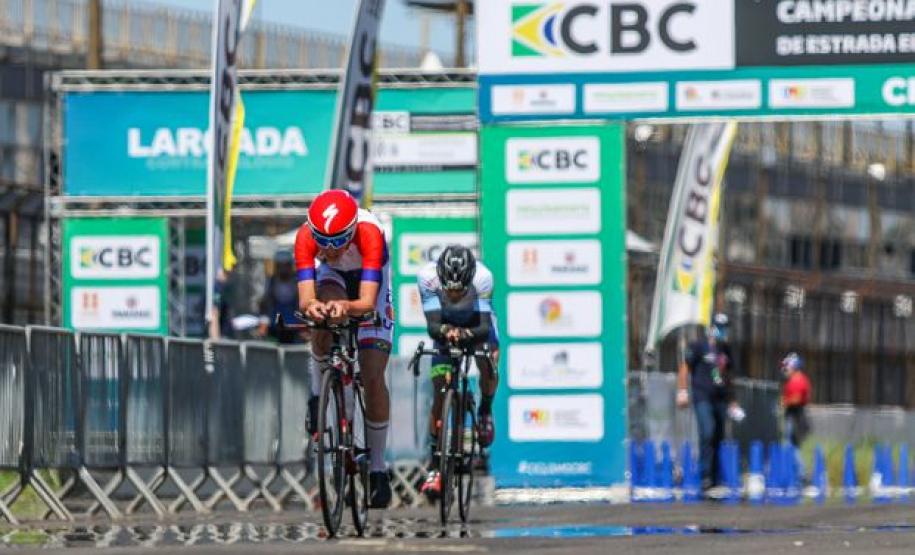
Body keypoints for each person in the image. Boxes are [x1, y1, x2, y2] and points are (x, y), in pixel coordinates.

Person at [294, 189, 395, 509]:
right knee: (321, 324)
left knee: (372, 371)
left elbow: (366, 303)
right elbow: (307, 299)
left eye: (338, 241)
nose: (329, 248)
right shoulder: (305, 237)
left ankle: (377, 467)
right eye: (323, 242)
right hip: (334, 280)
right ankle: (317, 394)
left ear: (351, 231)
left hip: (370, 285)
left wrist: (346, 308)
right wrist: (318, 310)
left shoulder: (370, 232)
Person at [416, 245, 499, 498]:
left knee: (489, 359)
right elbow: (432, 326)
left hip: (476, 324)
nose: (453, 294)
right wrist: (446, 332)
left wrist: (467, 335)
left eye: (459, 289)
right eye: (448, 289)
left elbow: (484, 327)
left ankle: (485, 409)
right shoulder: (427, 277)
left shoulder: (483, 278)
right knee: (440, 390)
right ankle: (434, 464)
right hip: (445, 326)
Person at [677, 313, 744, 493]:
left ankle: (715, 479)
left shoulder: (726, 351)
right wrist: (682, 391)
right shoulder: (698, 346)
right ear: (712, 328)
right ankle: (704, 475)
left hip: (720, 398)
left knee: (719, 436)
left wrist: (733, 401)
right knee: (707, 431)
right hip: (702, 396)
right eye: (720, 327)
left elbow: (729, 377)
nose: (723, 332)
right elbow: (685, 367)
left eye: (725, 328)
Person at [257, 249, 303, 344]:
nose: (283, 269)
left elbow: (302, 304)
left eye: (286, 265)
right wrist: (263, 322)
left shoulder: (298, 281)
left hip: (294, 327)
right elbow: (264, 304)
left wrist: (303, 325)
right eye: (280, 266)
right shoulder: (271, 282)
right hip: (275, 326)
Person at [780, 352, 811, 449]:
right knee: (791, 446)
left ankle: (800, 465)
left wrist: (783, 402)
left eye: (787, 367)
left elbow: (796, 399)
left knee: (791, 446)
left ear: (794, 366)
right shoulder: (794, 380)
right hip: (793, 416)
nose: (784, 370)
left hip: (795, 417)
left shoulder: (797, 380)